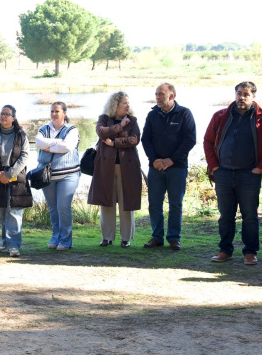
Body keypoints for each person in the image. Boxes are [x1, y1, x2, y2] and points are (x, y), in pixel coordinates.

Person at [204, 81, 262, 265]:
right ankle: (225, 250)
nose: (241, 97)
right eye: (239, 93)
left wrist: (261, 167)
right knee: (225, 215)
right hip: (224, 173)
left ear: (253, 96)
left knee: (250, 215)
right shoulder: (221, 116)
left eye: (245, 94)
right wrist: (214, 166)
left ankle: (250, 252)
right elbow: (207, 141)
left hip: (249, 175)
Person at [141, 83, 196, 250]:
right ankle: (157, 237)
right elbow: (146, 139)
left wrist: (171, 160)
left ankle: (174, 238)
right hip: (156, 168)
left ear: (171, 96)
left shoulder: (184, 114)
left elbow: (190, 140)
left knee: (175, 204)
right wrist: (154, 159)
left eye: (161, 94)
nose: (157, 97)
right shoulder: (152, 115)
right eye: (156, 94)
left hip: (177, 167)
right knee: (154, 203)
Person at [88, 91, 142, 248]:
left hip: (127, 167)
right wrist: (120, 126)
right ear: (115, 105)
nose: (127, 105)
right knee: (107, 202)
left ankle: (126, 238)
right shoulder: (104, 118)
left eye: (128, 102)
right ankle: (107, 237)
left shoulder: (133, 120)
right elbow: (101, 132)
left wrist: (115, 143)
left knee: (126, 202)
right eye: (124, 103)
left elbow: (134, 139)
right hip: (106, 167)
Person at [0, 105, 32, 257]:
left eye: (7, 114)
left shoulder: (21, 135)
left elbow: (24, 156)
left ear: (14, 118)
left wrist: (10, 173)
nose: (3, 117)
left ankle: (14, 246)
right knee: (2, 212)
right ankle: (5, 243)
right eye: (2, 114)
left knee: (14, 212)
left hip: (16, 177)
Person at [35, 102, 81, 251]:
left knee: (63, 206)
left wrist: (48, 147)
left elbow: (67, 146)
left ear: (64, 113)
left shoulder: (71, 129)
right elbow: (38, 142)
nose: (54, 114)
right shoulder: (44, 128)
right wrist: (57, 143)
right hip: (46, 175)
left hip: (68, 174)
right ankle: (56, 236)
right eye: (52, 111)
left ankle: (66, 239)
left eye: (57, 111)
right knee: (53, 207)